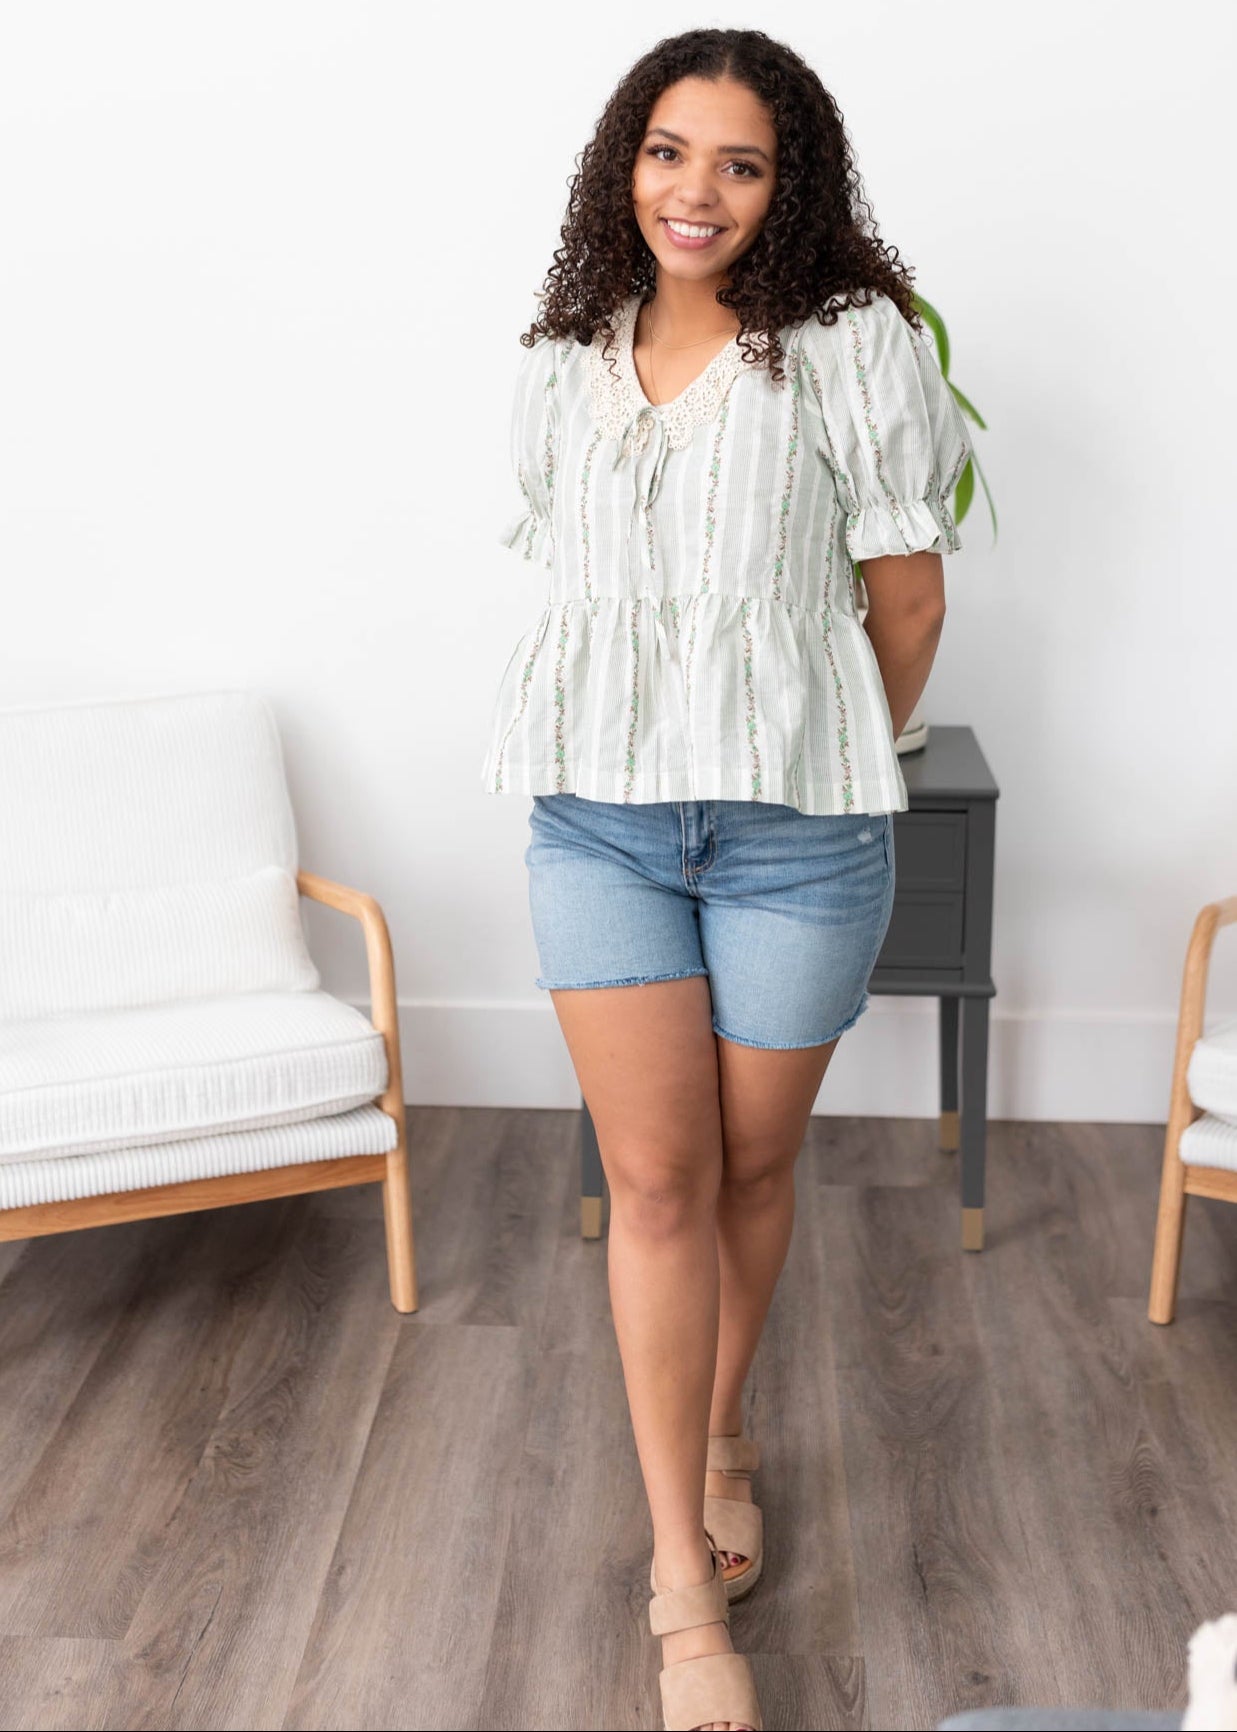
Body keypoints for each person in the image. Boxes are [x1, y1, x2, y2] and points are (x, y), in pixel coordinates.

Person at [480, 27, 971, 1732]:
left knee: (755, 1166)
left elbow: (900, 603)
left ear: (790, 182)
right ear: (626, 164)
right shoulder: (564, 352)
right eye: (669, 152)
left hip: (792, 836)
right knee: (657, 1176)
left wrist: (823, 753)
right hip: (597, 822)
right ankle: (682, 1577)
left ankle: (722, 1430)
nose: (698, 191)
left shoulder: (849, 344)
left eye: (741, 162)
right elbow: (579, 592)